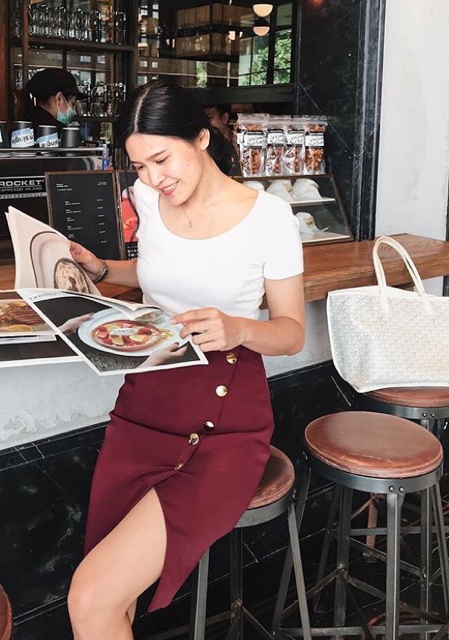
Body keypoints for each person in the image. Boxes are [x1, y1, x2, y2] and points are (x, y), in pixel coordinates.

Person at [66, 78, 305, 639]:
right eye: (139, 166)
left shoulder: (268, 217)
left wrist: (238, 327)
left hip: (223, 415)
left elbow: (291, 333)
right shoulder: (149, 199)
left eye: (161, 158)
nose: (152, 178)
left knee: (91, 594)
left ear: (200, 138)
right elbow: (157, 274)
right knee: (107, 595)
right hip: (145, 402)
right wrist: (103, 271)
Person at [23, 68, 85, 138]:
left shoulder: (23, 127)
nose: (73, 111)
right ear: (59, 99)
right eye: (73, 103)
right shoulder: (60, 134)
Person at [204, 103, 242, 176]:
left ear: (225, 117)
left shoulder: (241, 143)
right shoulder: (202, 147)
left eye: (209, 118)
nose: (205, 123)